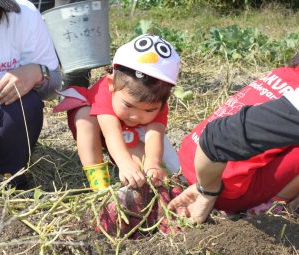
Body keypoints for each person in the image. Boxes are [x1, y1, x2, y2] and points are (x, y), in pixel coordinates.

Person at [168, 53, 299, 223]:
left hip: (189, 158)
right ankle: (270, 208)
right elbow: (219, 139)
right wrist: (208, 190)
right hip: (223, 190)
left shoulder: (281, 73)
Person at [53, 34, 181, 188]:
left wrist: (153, 164)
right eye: (128, 105)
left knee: (156, 169)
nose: (135, 116)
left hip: (128, 133)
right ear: (111, 84)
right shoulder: (104, 90)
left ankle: (144, 184)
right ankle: (99, 183)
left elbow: (155, 135)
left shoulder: (157, 100)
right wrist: (125, 163)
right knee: (85, 118)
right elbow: (111, 133)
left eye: (149, 111)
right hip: (100, 126)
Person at [0, 0, 62, 188]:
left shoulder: (22, 17)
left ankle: (10, 180)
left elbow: (54, 86)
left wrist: (37, 72)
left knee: (24, 102)